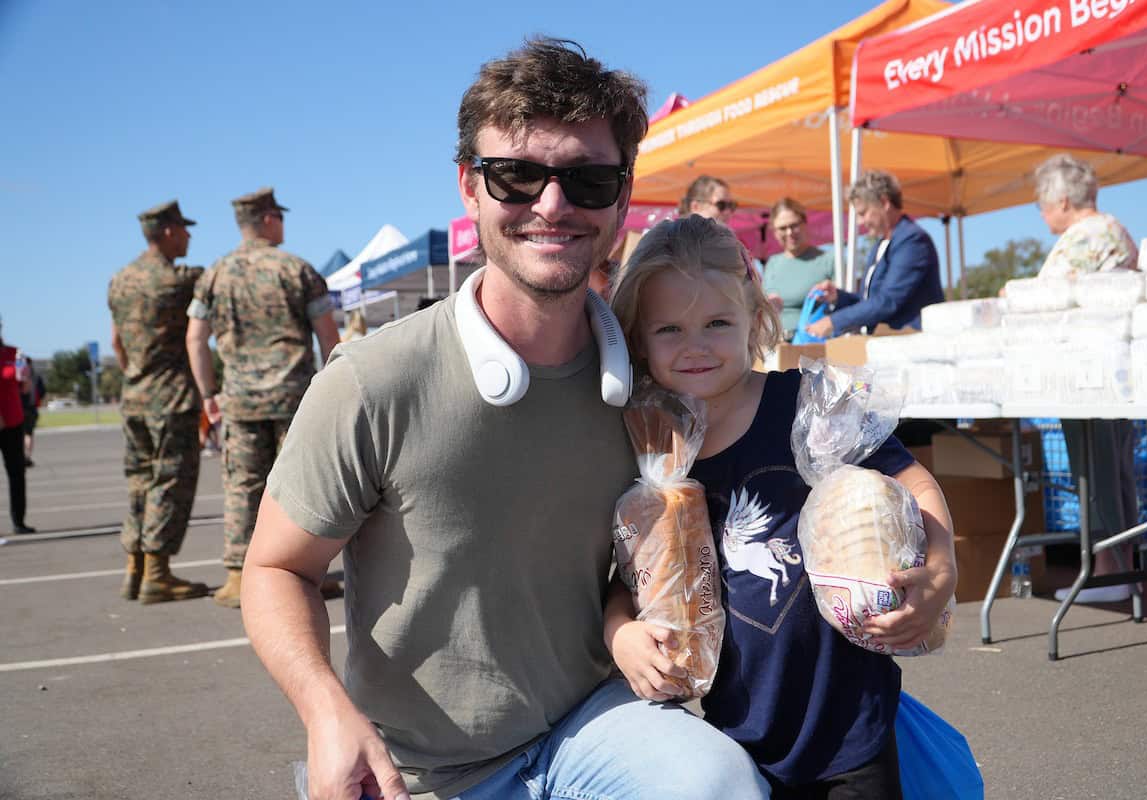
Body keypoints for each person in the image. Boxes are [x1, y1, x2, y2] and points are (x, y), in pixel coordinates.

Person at [240, 38, 769, 800]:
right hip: (426, 771)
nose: (552, 206)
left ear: (622, 198)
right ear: (470, 187)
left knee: (716, 784)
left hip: (596, 724)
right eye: (516, 175)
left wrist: (926, 554)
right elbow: (275, 566)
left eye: (587, 179)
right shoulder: (372, 381)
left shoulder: (656, 379)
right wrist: (325, 713)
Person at [607, 215, 957, 799]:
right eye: (669, 329)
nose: (696, 345)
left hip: (849, 725)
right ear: (638, 339)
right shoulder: (650, 446)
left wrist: (942, 568)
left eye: (717, 322)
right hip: (729, 739)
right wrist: (620, 633)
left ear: (755, 316)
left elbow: (912, 481)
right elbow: (623, 569)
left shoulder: (807, 406)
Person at [186, 187, 339, 609]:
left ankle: (238, 576)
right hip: (296, 397)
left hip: (239, 398)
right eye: (280, 217)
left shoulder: (214, 275)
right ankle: (306, 574)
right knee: (303, 487)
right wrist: (334, 392)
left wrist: (208, 394)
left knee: (242, 484)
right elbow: (328, 336)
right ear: (269, 219)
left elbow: (196, 338)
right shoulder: (297, 271)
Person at [1035, 153, 1139, 604]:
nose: (1042, 214)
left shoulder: (1084, 236)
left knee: (1093, 469)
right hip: (1113, 370)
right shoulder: (1114, 229)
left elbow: (1049, 297)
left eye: (1043, 204)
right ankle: (1123, 566)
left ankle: (1107, 569)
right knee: (1115, 469)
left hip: (1086, 373)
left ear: (1062, 200)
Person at [107, 201, 208, 602]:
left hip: (133, 396)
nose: (188, 235)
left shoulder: (119, 280)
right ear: (167, 231)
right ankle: (158, 573)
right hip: (170, 398)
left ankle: (133, 567)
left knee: (139, 482)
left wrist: (138, 373)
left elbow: (117, 341)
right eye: (183, 228)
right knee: (170, 482)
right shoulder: (178, 280)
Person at [806, 169, 944, 339]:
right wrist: (837, 297)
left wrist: (833, 321)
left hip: (912, 344)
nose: (860, 222)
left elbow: (888, 301)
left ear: (884, 203)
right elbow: (870, 301)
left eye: (863, 213)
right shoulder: (880, 245)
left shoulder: (913, 241)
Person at [762, 198, 836, 341]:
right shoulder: (772, 263)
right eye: (783, 228)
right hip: (776, 344)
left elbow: (842, 305)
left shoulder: (827, 260)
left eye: (794, 225)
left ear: (805, 223)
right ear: (774, 231)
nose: (789, 232)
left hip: (812, 345)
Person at [0, 316, 35, 534]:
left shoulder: (13, 353)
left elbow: (24, 389)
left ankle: (18, 521)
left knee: (16, 473)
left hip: (13, 421)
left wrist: (26, 377)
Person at [20, 362, 44, 467]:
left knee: (20, 435)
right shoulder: (36, 377)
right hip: (32, 409)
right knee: (29, 434)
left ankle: (22, 456)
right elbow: (42, 391)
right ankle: (28, 456)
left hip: (20, 409)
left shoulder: (19, 376)